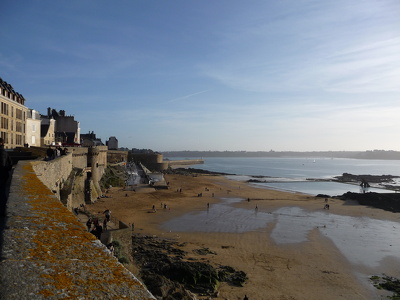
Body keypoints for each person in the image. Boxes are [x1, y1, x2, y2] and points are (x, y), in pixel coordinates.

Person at [0, 138, 12, 216]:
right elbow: (10, 164)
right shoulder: (4, 152)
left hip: (1, 174)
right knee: (2, 193)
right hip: (3, 175)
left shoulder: (3, 153)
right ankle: (2, 211)